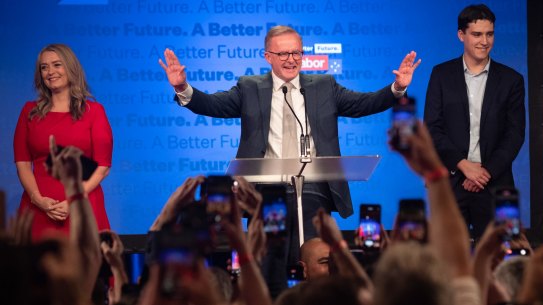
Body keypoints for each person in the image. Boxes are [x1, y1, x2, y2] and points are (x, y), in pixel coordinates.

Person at [159, 25, 420, 253]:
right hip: (266, 193)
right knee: (273, 257)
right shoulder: (249, 87)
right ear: (268, 57)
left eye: (297, 52)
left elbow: (365, 104)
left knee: (313, 257)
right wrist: (182, 87)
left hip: (313, 189)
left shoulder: (323, 85)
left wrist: (396, 88)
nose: (291, 59)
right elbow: (213, 105)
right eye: (283, 53)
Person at [424, 4, 525, 240]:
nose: (484, 41)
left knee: (496, 262)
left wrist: (484, 172)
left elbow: (515, 134)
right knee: (448, 263)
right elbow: (432, 128)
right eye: (477, 34)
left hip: (494, 184)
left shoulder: (512, 80)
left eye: (489, 34)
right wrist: (463, 165)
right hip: (451, 181)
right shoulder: (441, 74)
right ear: (461, 35)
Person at [13, 43, 113, 241]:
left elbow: (103, 167)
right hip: (38, 209)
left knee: (84, 270)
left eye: (57, 65)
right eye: (44, 67)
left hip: (83, 206)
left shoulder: (94, 112)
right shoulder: (29, 112)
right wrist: (37, 199)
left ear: (70, 68)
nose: (50, 72)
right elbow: (22, 163)